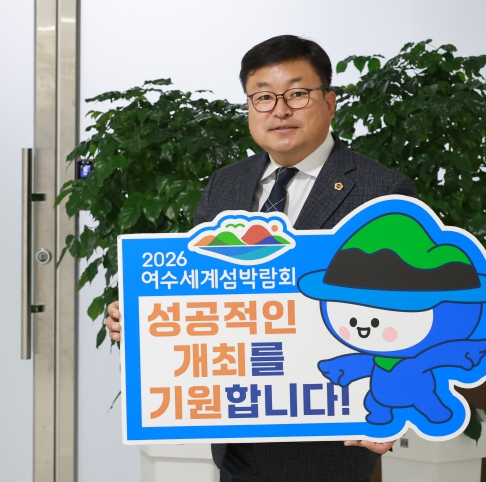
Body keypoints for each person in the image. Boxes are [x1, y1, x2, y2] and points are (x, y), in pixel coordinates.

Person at [106, 35, 418, 482]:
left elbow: (413, 308)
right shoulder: (226, 184)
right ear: (250, 107)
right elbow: (202, 294)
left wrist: (394, 405)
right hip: (237, 444)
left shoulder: (381, 191)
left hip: (330, 449)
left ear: (330, 102)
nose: (280, 110)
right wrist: (140, 322)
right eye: (264, 97)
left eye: (297, 93)